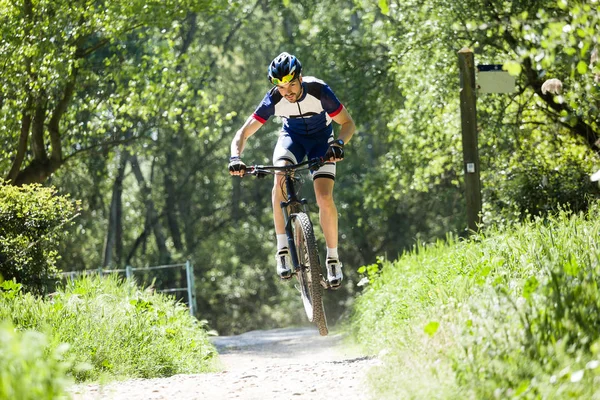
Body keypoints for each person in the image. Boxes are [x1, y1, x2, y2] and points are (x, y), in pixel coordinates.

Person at [228, 52, 356, 288]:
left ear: (301, 77)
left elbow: (348, 124)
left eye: (291, 85)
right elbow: (243, 133)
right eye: (281, 87)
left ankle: (333, 259)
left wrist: (338, 144)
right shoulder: (274, 99)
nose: (287, 92)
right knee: (279, 178)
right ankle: (283, 250)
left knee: (324, 196)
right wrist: (235, 157)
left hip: (321, 141)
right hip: (292, 140)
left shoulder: (319, 90)